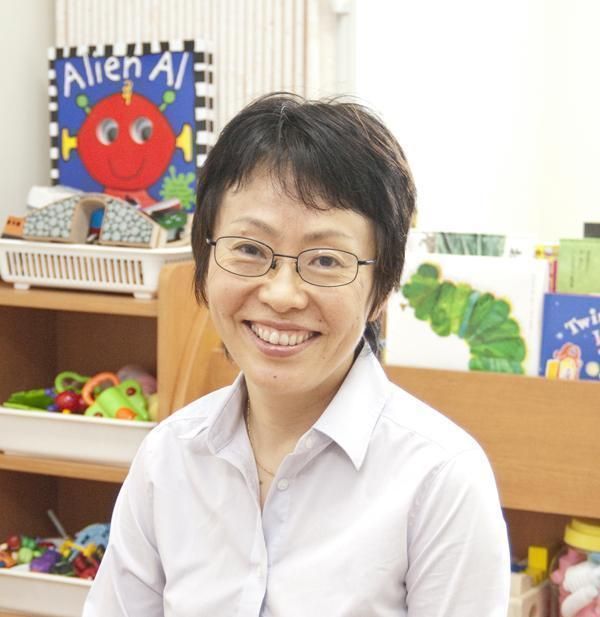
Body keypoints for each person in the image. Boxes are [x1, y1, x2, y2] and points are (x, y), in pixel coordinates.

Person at [83, 93, 510, 616]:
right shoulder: (168, 458)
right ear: (205, 261)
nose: (282, 294)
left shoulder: (440, 479)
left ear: (381, 290)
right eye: (248, 249)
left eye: (326, 259)